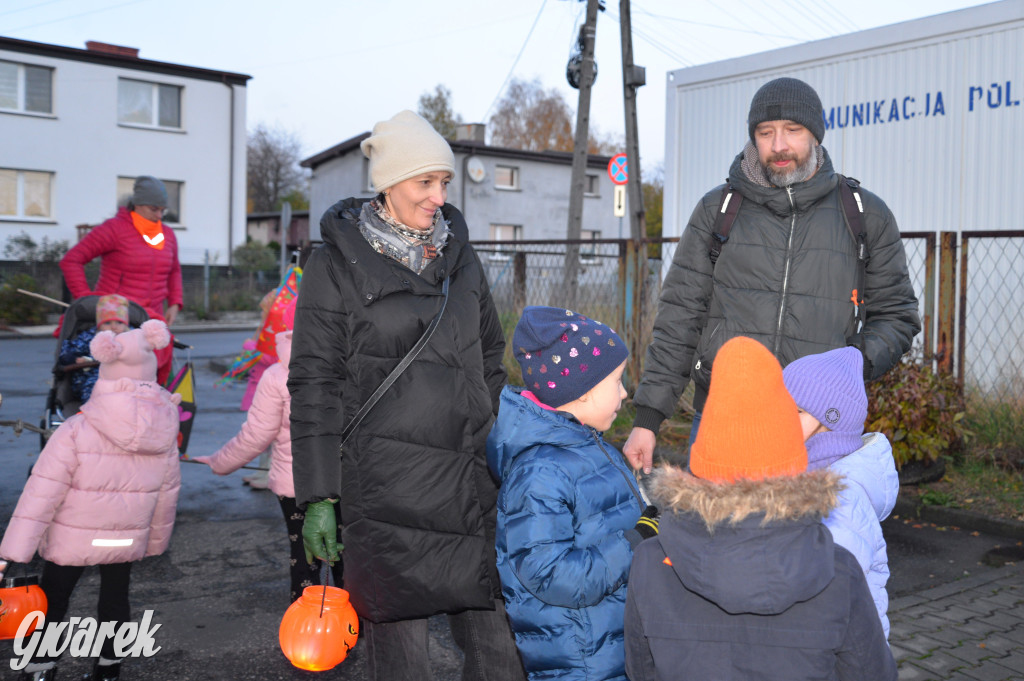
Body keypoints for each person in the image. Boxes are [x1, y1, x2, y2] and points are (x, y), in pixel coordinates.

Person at [288, 110, 524, 681]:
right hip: (386, 492)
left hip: (470, 483)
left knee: (501, 653)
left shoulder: (460, 256)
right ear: (388, 184)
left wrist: (511, 446)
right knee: (401, 663)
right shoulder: (333, 264)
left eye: (444, 182)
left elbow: (490, 358)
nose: (438, 196)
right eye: (425, 182)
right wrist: (318, 495)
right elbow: (315, 381)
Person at [623, 76, 921, 474]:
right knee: (713, 536)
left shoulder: (865, 215)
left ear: (815, 134)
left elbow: (897, 316)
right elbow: (680, 316)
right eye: (766, 133)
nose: (779, 145)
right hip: (721, 419)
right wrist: (647, 420)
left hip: (819, 431)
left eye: (792, 130)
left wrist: (843, 373)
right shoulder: (718, 210)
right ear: (754, 138)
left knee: (814, 538)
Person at [623, 337, 897, 681]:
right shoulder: (837, 569)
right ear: (791, 457)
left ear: (701, 455)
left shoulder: (650, 563)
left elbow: (640, 671)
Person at [0, 320, 182, 681]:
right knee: (116, 598)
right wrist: (155, 542)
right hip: (126, 538)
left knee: (53, 599)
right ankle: (109, 670)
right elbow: (167, 490)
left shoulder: (76, 428)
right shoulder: (164, 426)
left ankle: (40, 669)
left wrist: (13, 552)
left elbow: (43, 492)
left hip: (74, 538)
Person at [487, 306, 658, 681]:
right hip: (581, 660)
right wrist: (634, 542)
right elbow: (551, 574)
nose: (625, 393)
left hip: (608, 642)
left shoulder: (585, 442)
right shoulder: (540, 473)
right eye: (616, 381)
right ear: (580, 392)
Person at [194, 301, 342, 602]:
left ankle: (306, 627)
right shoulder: (348, 365)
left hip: (295, 485)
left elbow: (256, 435)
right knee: (346, 551)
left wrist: (219, 463)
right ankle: (355, 623)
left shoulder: (277, 375)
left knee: (303, 553)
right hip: (346, 481)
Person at [783, 346, 899, 637]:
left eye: (796, 411)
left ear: (831, 420)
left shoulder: (841, 501)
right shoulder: (806, 472)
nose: (781, 418)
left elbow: (822, 596)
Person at [60, 175, 183, 385]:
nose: (159, 215)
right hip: (119, 320)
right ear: (137, 204)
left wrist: (174, 302)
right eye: (154, 209)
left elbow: (173, 270)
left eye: (163, 210)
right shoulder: (114, 229)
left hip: (152, 318)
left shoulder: (166, 234)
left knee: (150, 381)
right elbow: (71, 261)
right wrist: (88, 301)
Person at [58, 293, 131, 403]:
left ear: (126, 325)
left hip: (124, 375)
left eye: (119, 322)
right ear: (99, 325)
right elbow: (68, 351)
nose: (114, 327)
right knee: (94, 387)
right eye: (107, 323)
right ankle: (96, 409)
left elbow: (140, 353)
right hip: (93, 374)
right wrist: (76, 359)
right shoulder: (90, 337)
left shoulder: (131, 337)